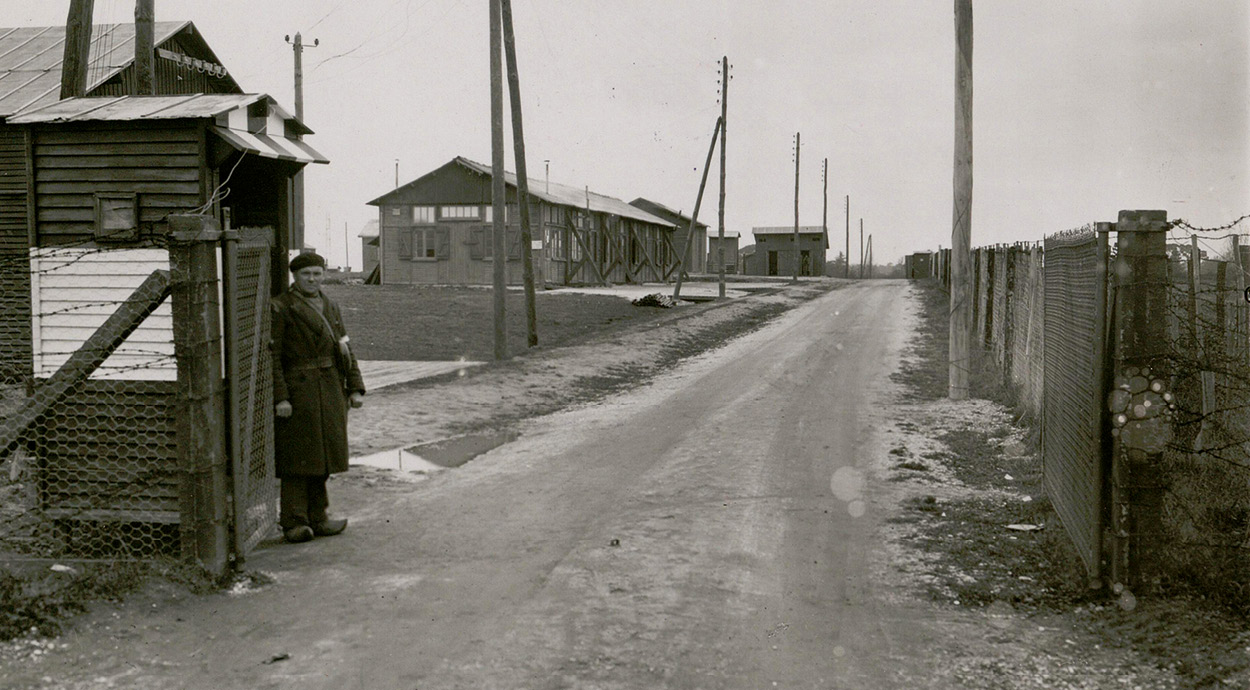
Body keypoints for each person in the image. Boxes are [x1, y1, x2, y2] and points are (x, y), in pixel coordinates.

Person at [270, 252, 365, 543]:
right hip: (299, 391)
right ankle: (294, 522)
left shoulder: (330, 305)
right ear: (294, 277)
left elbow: (345, 347)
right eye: (306, 274)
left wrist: (354, 386)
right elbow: (272, 358)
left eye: (317, 273)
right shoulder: (280, 307)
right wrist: (281, 397)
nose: (312, 279)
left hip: (330, 388)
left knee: (323, 456)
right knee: (298, 457)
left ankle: (319, 517)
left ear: (323, 274)